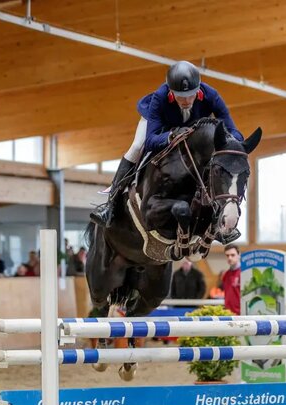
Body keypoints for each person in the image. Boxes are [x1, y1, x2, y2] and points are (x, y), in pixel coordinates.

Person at [90, 60, 244, 229]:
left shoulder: (211, 95)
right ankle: (110, 205)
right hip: (161, 127)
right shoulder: (160, 97)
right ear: (171, 91)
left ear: (198, 90)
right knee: (136, 146)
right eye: (180, 96)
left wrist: (231, 144)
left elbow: (233, 131)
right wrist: (171, 135)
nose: (186, 101)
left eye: (191, 95)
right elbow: (151, 140)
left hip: (191, 129)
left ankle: (219, 213)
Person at [222, 244, 241, 314]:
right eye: (227, 255)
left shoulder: (244, 273)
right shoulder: (225, 275)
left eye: (233, 255)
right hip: (228, 313)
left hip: (241, 314)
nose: (229, 258)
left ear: (239, 255)